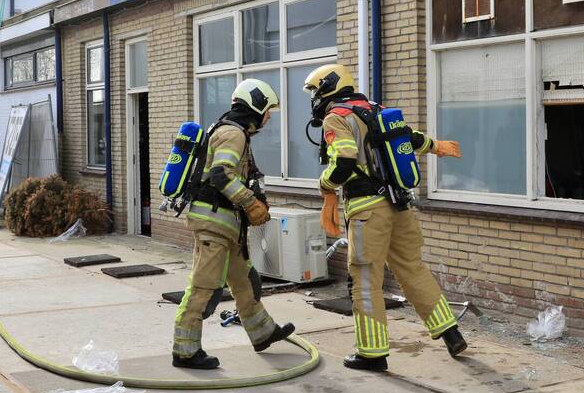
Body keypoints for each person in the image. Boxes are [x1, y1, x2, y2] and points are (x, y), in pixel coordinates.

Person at [302, 63, 467, 373]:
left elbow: (344, 161)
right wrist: (437, 146)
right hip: (399, 206)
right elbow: (409, 138)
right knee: (413, 269)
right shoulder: (375, 109)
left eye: (315, 91)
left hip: (367, 211)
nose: (314, 98)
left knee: (365, 280)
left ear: (328, 88)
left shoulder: (337, 117)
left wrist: (325, 187)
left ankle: (372, 353)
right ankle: (450, 332)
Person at [172, 79, 296, 369]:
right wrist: (250, 203)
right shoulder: (233, 133)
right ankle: (185, 351)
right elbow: (221, 175)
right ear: (256, 106)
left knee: (245, 281)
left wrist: (254, 198)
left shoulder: (233, 131)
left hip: (227, 224)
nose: (269, 117)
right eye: (268, 110)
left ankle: (262, 332)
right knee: (204, 287)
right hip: (214, 223)